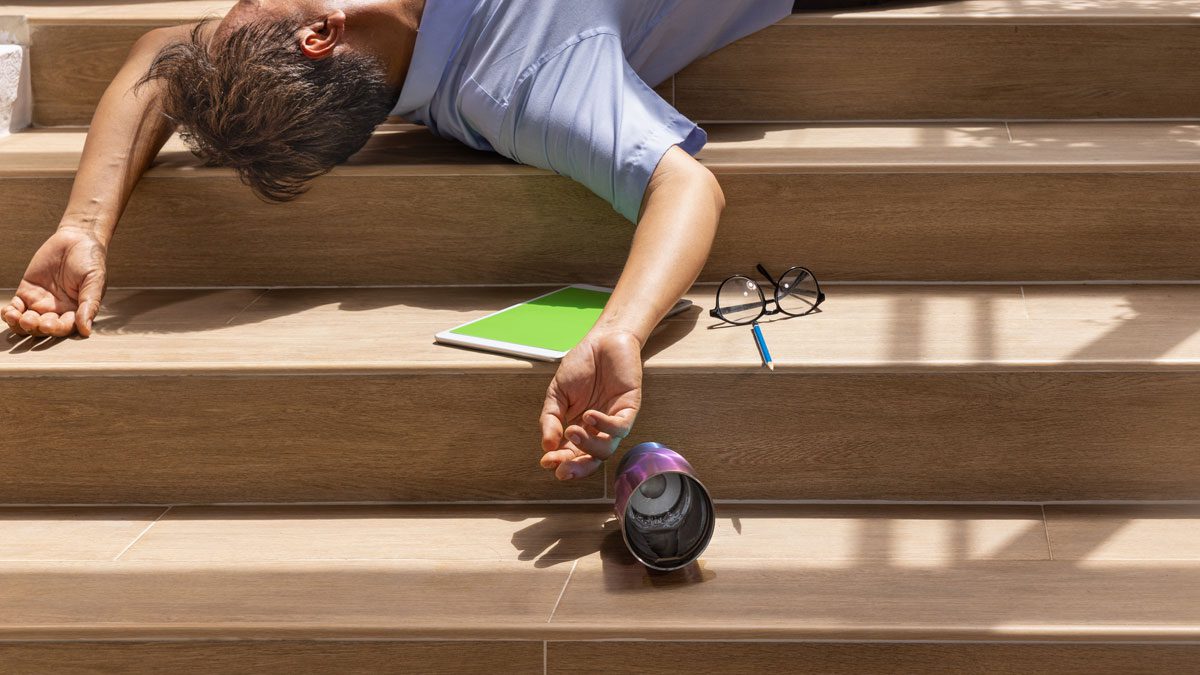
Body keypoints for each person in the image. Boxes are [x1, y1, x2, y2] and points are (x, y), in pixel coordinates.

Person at [2, 0, 837, 481]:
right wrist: (619, 329)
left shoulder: (346, 31)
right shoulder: (524, 78)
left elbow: (158, 55)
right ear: (319, 33)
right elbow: (685, 186)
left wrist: (83, 224)